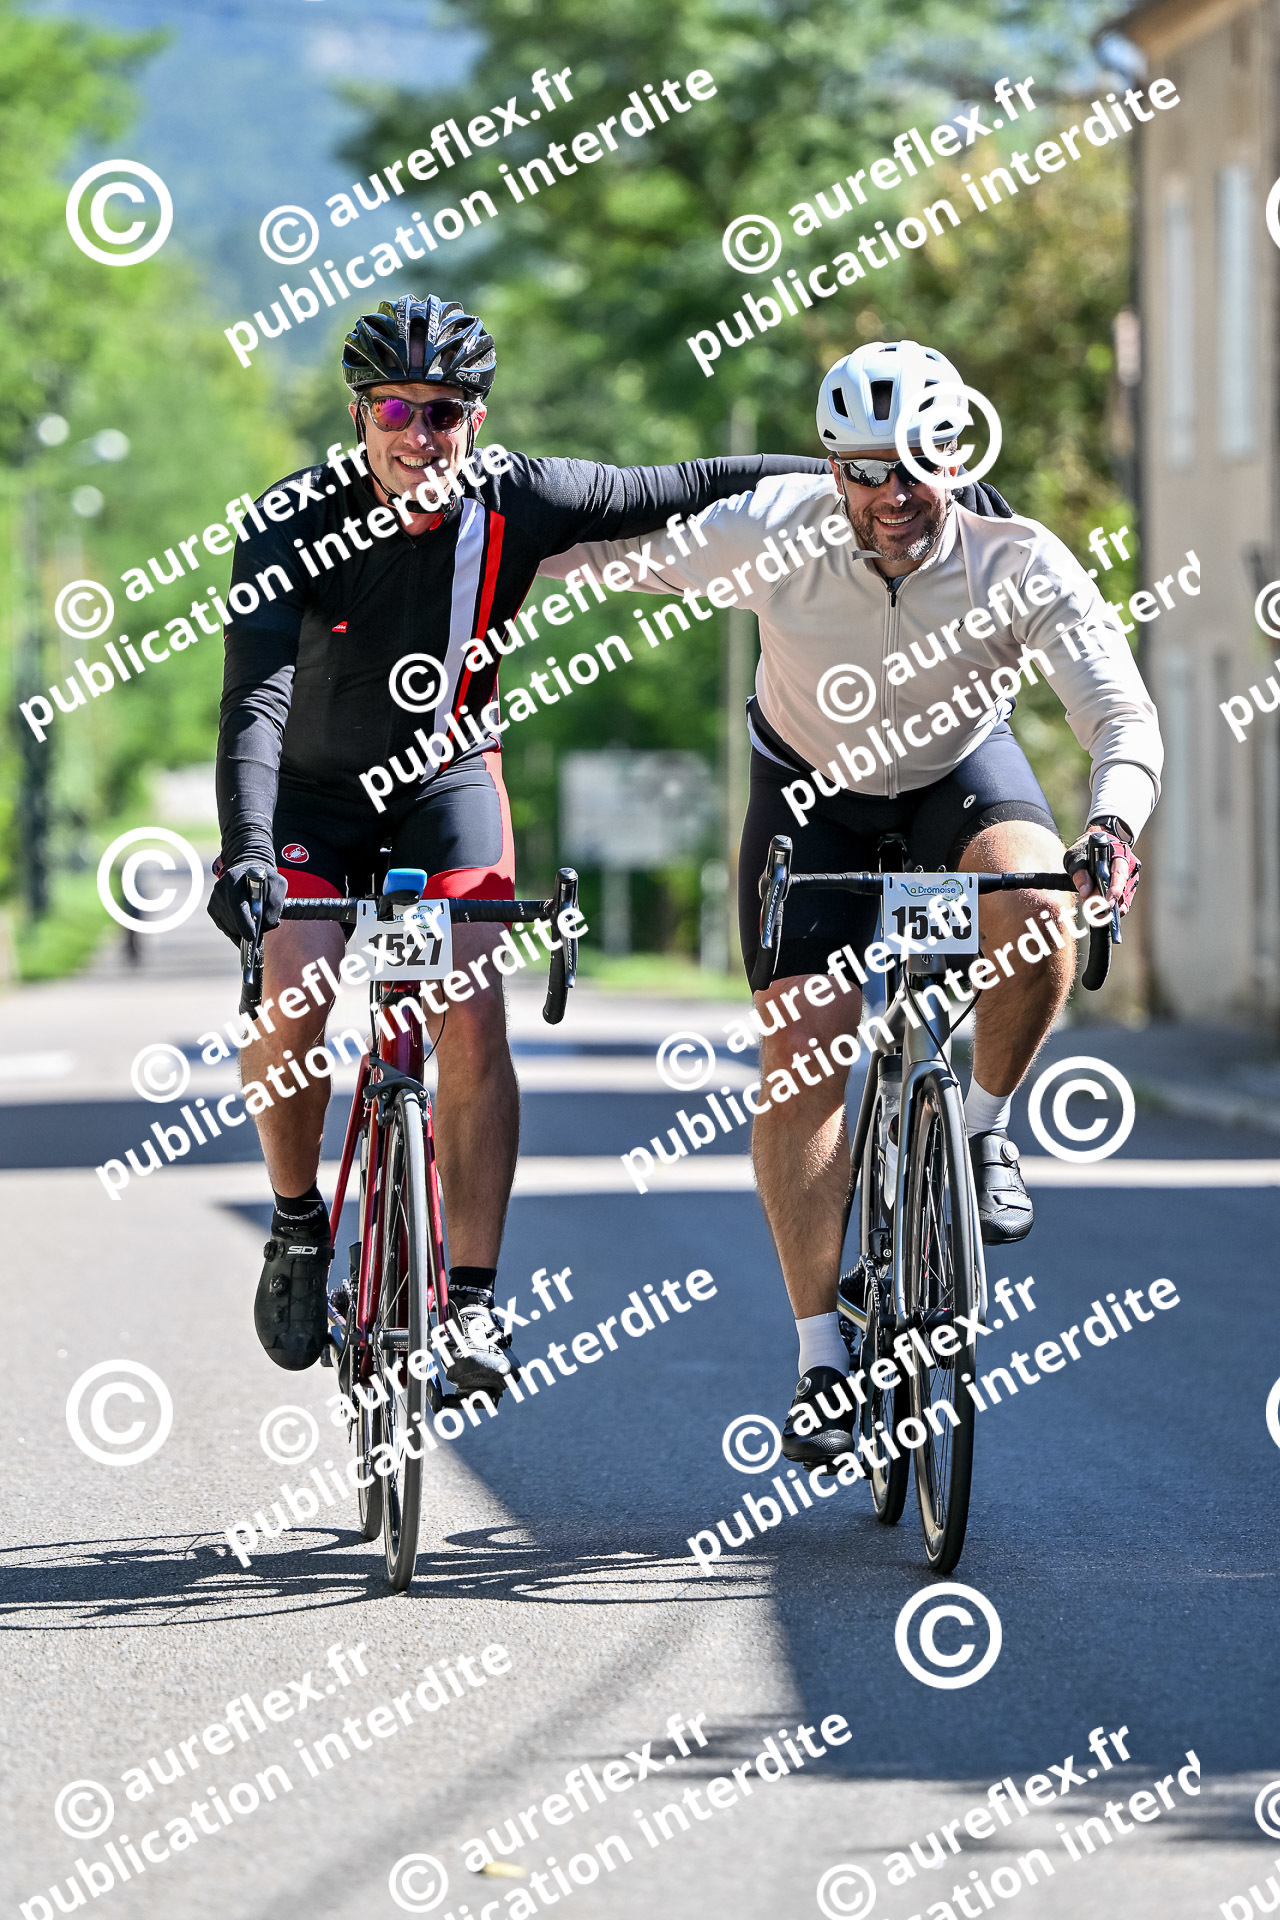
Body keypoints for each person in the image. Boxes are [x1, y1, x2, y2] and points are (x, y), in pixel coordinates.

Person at [540, 337, 1162, 1466]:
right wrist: (462, 540)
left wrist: (1111, 825)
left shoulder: (1017, 559)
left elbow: (1119, 715)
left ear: (956, 455)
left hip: (953, 774)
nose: (890, 494)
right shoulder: (770, 528)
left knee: (1037, 912)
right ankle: (820, 1357)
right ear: (830, 468)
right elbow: (600, 553)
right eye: (862, 470)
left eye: (913, 465)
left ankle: (980, 1130)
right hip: (807, 792)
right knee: (802, 1055)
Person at [207, 293, 823, 1381]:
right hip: (306, 798)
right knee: (293, 991)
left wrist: (879, 472)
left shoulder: (520, 497)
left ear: (476, 421)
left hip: (446, 778)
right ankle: (299, 1225)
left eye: (442, 411)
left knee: (473, 1007)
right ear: (359, 419)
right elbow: (254, 700)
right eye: (393, 409)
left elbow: (690, 482)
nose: (419, 434)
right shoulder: (290, 520)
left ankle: (474, 1300)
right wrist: (249, 850)